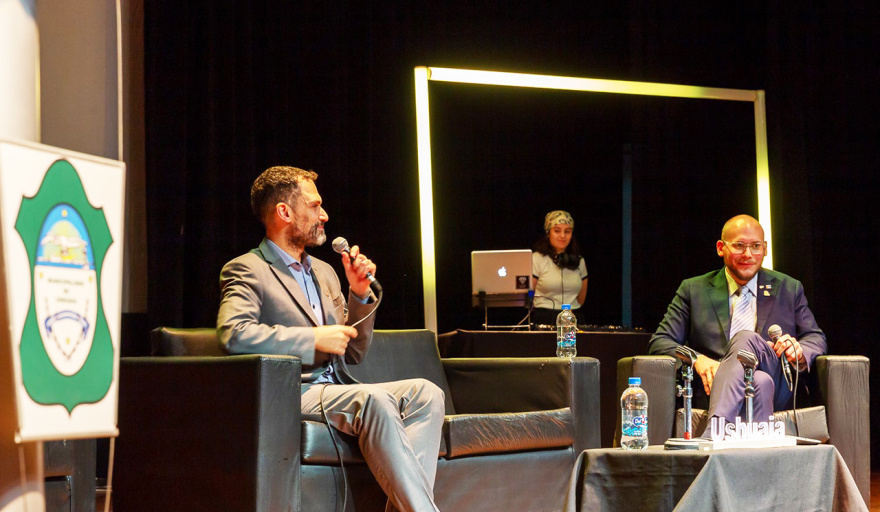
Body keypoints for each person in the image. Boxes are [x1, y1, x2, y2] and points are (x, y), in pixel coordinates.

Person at [217, 166, 445, 512]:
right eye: (314, 205)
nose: (323, 215)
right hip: (291, 391)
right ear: (284, 212)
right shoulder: (248, 268)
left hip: (336, 386)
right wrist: (312, 339)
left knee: (426, 393)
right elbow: (234, 334)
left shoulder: (324, 272)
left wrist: (359, 293)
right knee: (374, 400)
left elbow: (353, 353)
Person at [648, 214, 826, 429]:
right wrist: (697, 359)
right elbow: (660, 342)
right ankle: (754, 444)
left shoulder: (789, 288)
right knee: (759, 381)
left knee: (745, 339)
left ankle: (716, 429)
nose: (748, 254)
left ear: (765, 249)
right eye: (739, 245)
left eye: (756, 246)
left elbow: (815, 337)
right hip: (714, 388)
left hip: (777, 382)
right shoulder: (693, 290)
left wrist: (800, 351)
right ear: (721, 248)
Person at [530, 210, 589, 326]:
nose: (563, 236)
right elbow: (528, 296)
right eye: (557, 231)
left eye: (567, 231)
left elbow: (581, 299)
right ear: (548, 233)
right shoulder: (536, 259)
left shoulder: (579, 261)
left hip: (573, 319)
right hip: (544, 319)